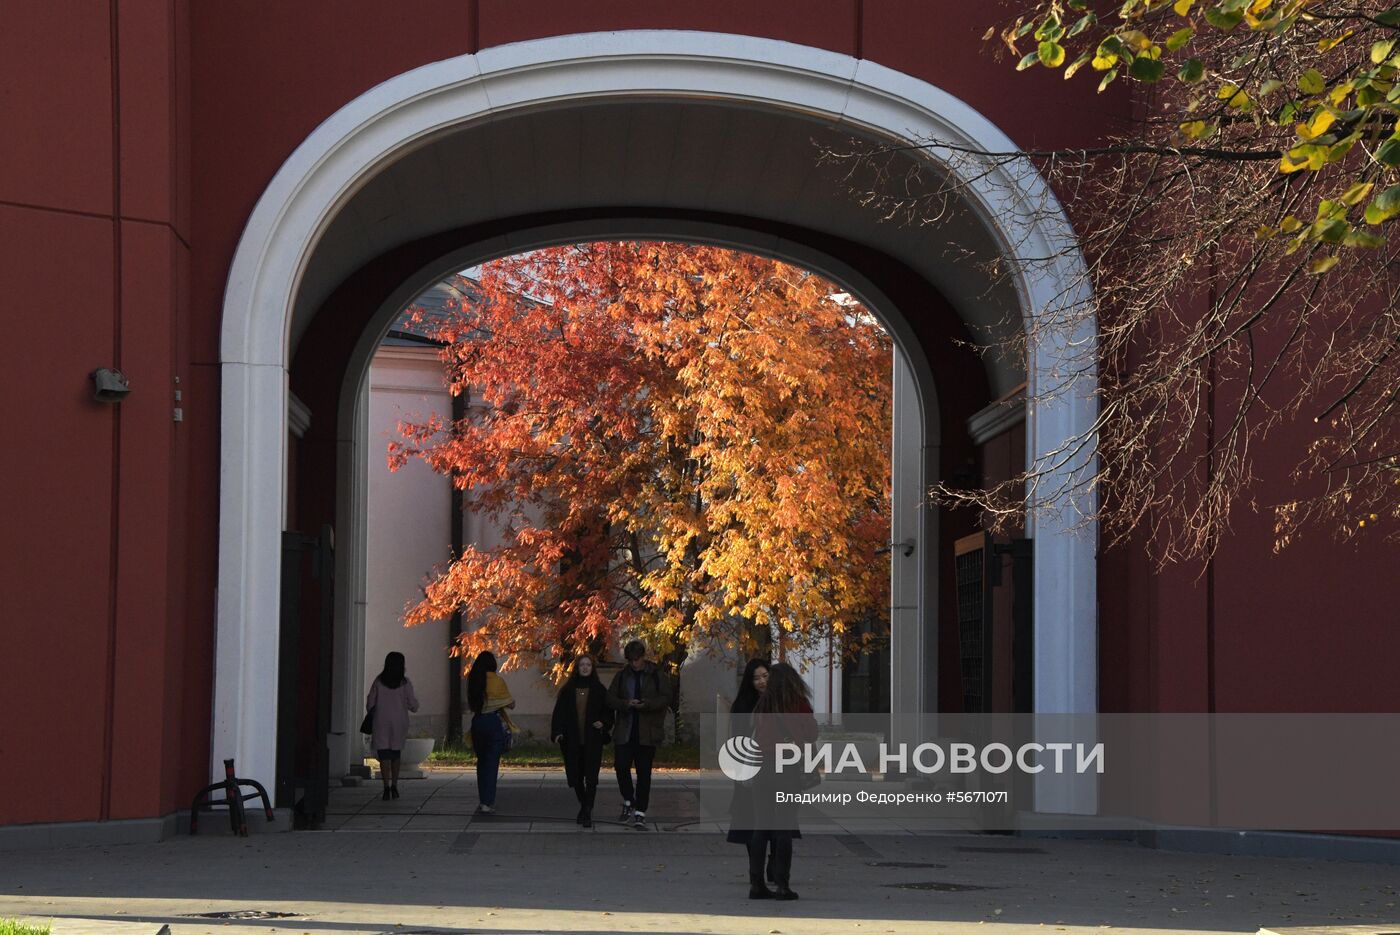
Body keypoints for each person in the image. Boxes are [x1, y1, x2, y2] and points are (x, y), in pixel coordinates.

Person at [743, 662, 817, 900]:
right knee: (784, 826)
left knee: (760, 827)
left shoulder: (763, 704)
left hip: (763, 768)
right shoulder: (799, 704)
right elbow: (811, 734)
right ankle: (782, 885)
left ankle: (756, 884)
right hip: (787, 768)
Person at [606, 639, 672, 829]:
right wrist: (625, 704)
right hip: (625, 729)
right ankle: (629, 799)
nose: (634, 664)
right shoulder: (622, 676)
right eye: (630, 660)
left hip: (647, 732)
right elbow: (610, 698)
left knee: (644, 773)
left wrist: (647, 704)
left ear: (643, 657)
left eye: (636, 660)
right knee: (620, 766)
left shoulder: (655, 674)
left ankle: (640, 810)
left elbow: (666, 697)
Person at [551, 654, 614, 827]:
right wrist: (557, 732)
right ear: (577, 668)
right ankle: (585, 806)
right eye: (582, 665)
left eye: (588, 665)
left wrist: (604, 723)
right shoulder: (567, 690)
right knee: (576, 777)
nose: (585, 668)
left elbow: (608, 712)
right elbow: (559, 714)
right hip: (572, 740)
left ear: (592, 668)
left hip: (592, 739)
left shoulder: (599, 689)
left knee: (591, 778)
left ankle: (586, 811)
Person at [726, 659, 775, 879]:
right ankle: (755, 865)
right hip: (749, 765)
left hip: (776, 766)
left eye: (765, 676)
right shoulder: (743, 705)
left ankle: (775, 861)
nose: (762, 681)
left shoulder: (778, 702)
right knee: (749, 819)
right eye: (756, 678)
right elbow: (736, 739)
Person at [465, 650, 516, 814]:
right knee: (492, 763)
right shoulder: (497, 681)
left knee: (481, 762)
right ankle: (488, 801)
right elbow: (510, 704)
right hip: (493, 723)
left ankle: (482, 800)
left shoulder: (473, 681)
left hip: (478, 722)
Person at [365, 651, 420, 801]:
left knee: (384, 755)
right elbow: (413, 705)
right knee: (396, 754)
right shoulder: (405, 683)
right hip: (399, 722)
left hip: (380, 722)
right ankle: (395, 785)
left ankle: (385, 787)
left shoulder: (378, 681)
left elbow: (370, 703)